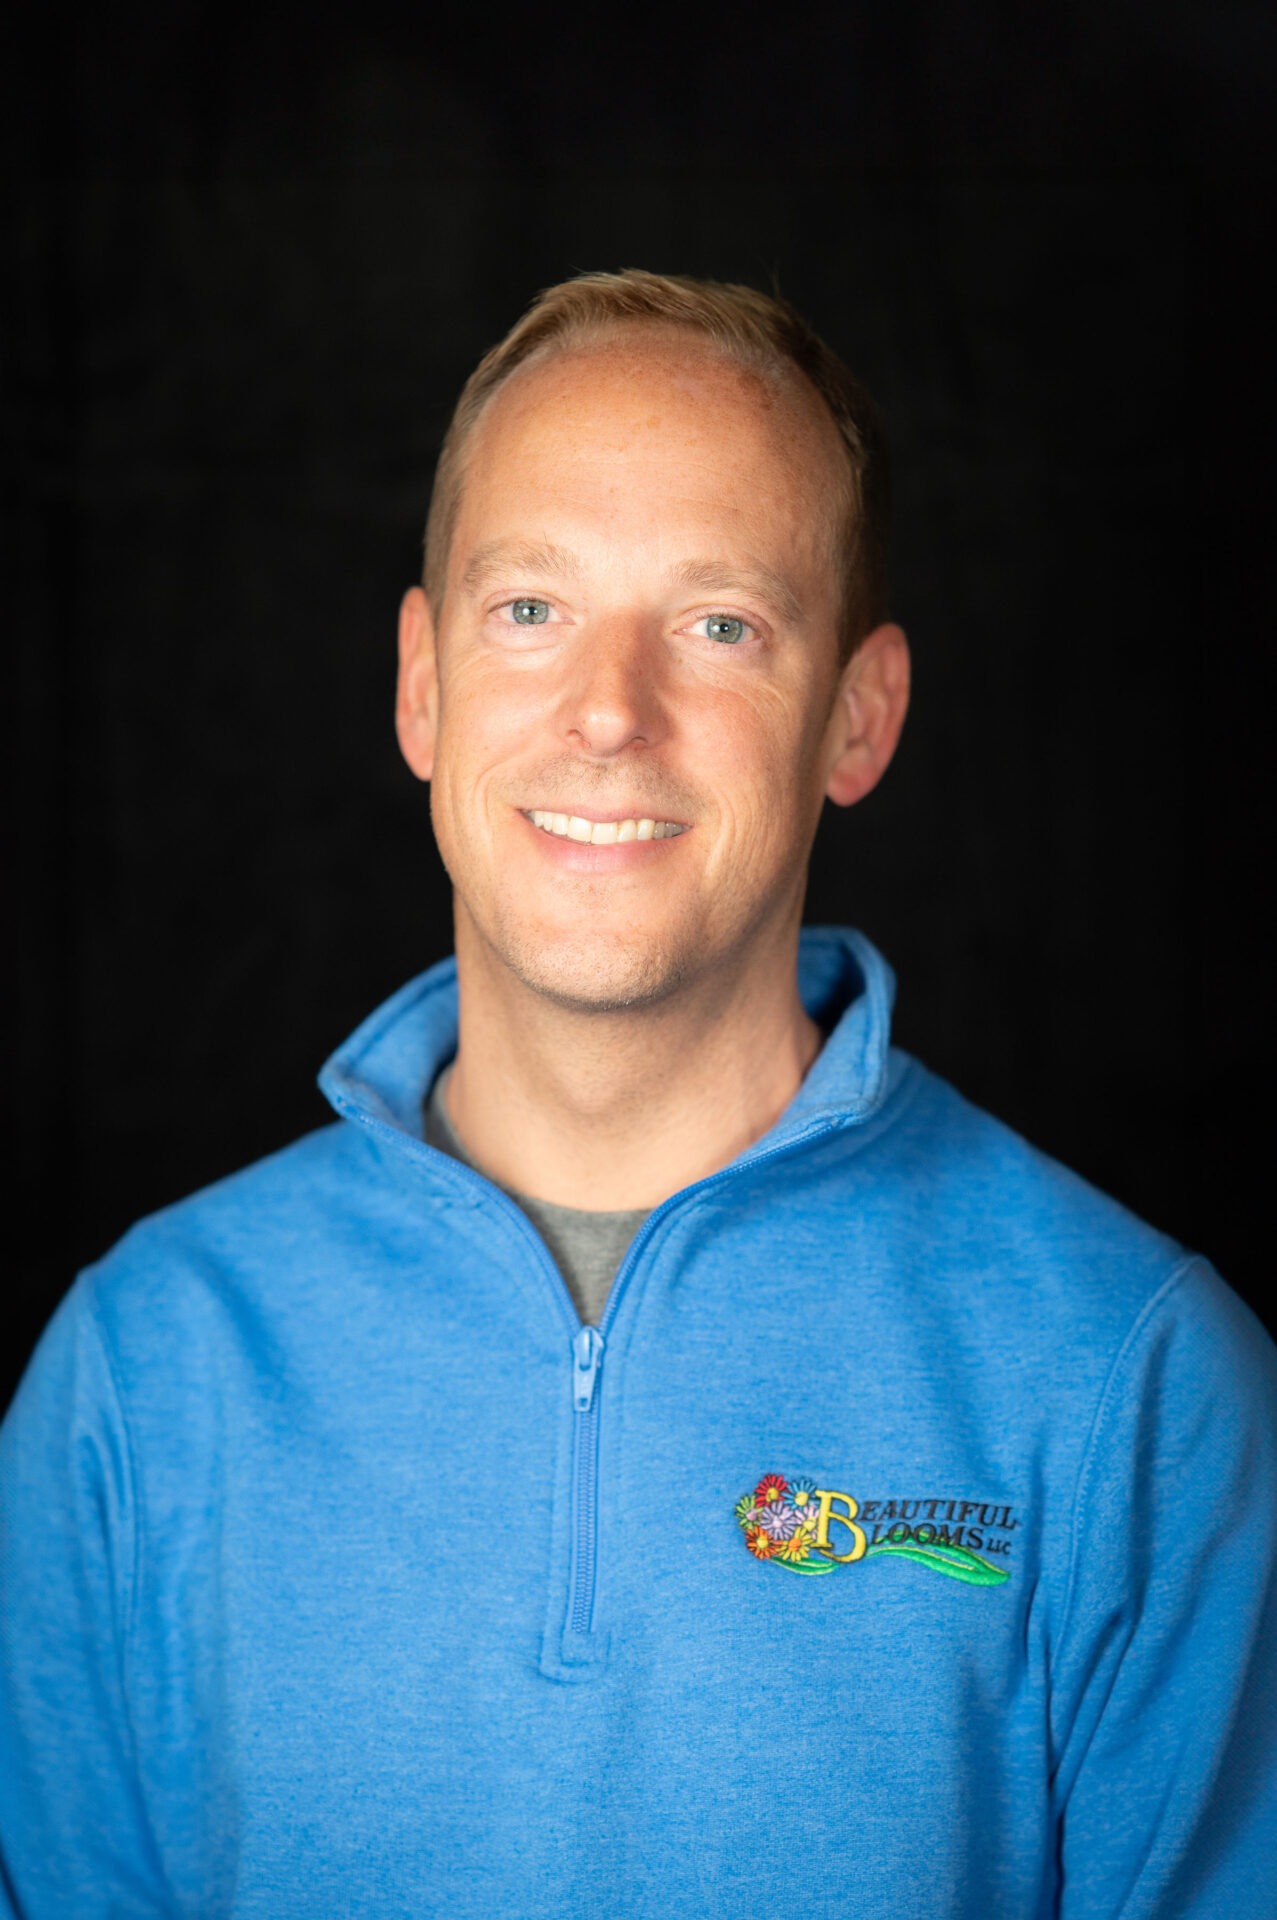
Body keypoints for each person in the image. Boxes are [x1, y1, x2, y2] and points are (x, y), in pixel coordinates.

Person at [1, 270, 1273, 1919]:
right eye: (529, 608)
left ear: (857, 716)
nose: (609, 712)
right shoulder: (140, 1374)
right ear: (421, 684)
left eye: (718, 625)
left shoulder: (1141, 1386)